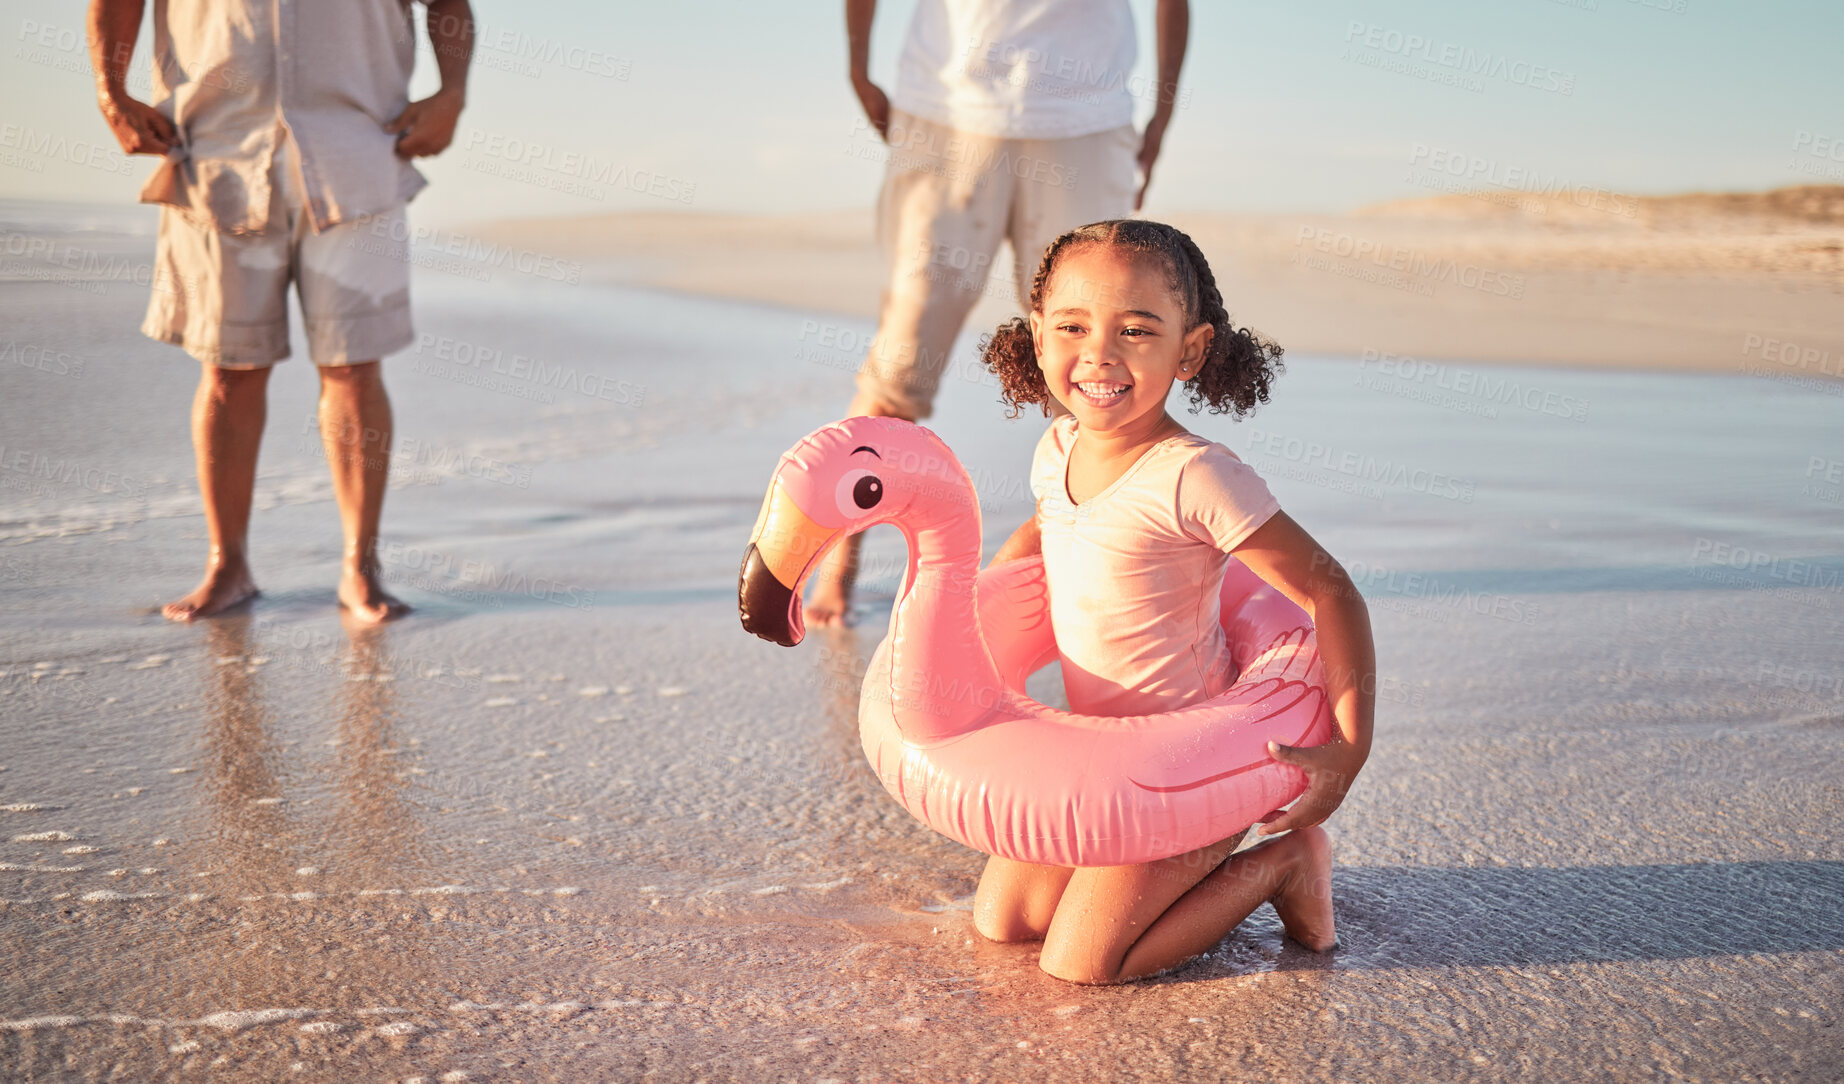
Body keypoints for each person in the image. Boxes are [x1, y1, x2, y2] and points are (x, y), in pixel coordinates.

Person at [968, 220, 1376, 985]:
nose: (1099, 353)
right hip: (1095, 758)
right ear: (1037, 335)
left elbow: (1331, 591)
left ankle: (1283, 865)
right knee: (1005, 922)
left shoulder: (1194, 475)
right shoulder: (1055, 448)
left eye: (1136, 330)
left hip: (1191, 770)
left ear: (1188, 349)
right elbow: (1051, 526)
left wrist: (1349, 751)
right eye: (1073, 327)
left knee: (1084, 964)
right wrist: (980, 606)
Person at [86, 0, 475, 623]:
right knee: (227, 369)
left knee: (354, 369)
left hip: (358, 152)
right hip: (213, 153)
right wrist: (111, 91)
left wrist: (452, 91)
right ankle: (227, 566)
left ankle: (360, 568)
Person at [807, 0, 1192, 626]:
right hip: (947, 103)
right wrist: (857, 64)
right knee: (902, 359)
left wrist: (1163, 115)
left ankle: (1108, 568)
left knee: (1097, 363)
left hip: (1086, 112)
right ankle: (839, 565)